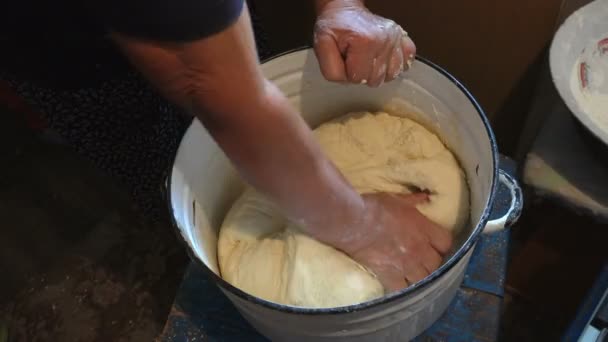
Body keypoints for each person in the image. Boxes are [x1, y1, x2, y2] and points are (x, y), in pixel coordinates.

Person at [0, 0, 451, 292]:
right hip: (71, 52)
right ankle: (172, 232)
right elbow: (215, 87)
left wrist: (340, 5)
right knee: (156, 166)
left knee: (249, 92)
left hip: (208, 18)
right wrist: (362, 226)